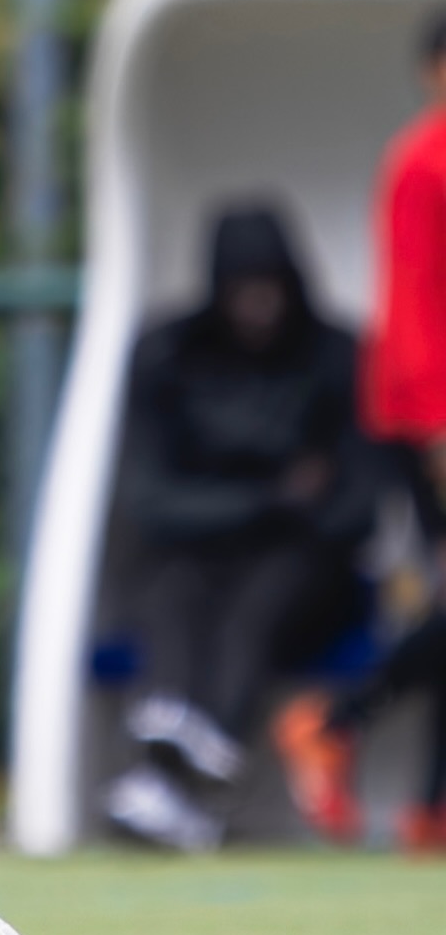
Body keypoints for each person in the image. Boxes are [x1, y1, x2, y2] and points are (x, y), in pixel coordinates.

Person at [102, 204, 377, 852]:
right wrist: (272, 497)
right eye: (242, 289)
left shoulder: (336, 355)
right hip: (194, 560)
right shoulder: (170, 352)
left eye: (269, 287)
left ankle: (176, 781)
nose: (258, 307)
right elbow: (152, 503)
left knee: (256, 603)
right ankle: (175, 775)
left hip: (305, 574)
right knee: (174, 592)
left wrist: (271, 512)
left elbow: (352, 512)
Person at [273, 10, 446, 850]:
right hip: (429, 416)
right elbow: (413, 306)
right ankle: (335, 721)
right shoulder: (426, 159)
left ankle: (427, 805)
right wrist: (436, 427)